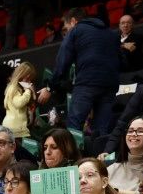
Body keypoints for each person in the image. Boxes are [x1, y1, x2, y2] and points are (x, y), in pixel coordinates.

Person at [41, 8, 122, 144]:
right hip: (110, 85)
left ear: (73, 21)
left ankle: (73, 161)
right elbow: (122, 61)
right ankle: (101, 160)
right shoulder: (112, 34)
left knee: (74, 126)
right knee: (103, 130)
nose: (66, 32)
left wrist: (50, 87)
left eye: (66, 28)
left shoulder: (76, 30)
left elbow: (63, 62)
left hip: (87, 83)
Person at [2, 61, 37, 139]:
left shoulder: (18, 88)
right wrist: (28, 90)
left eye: (30, 80)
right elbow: (18, 103)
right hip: (15, 129)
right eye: (28, 79)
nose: (29, 82)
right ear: (21, 75)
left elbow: (33, 100)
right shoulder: (13, 88)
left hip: (16, 128)